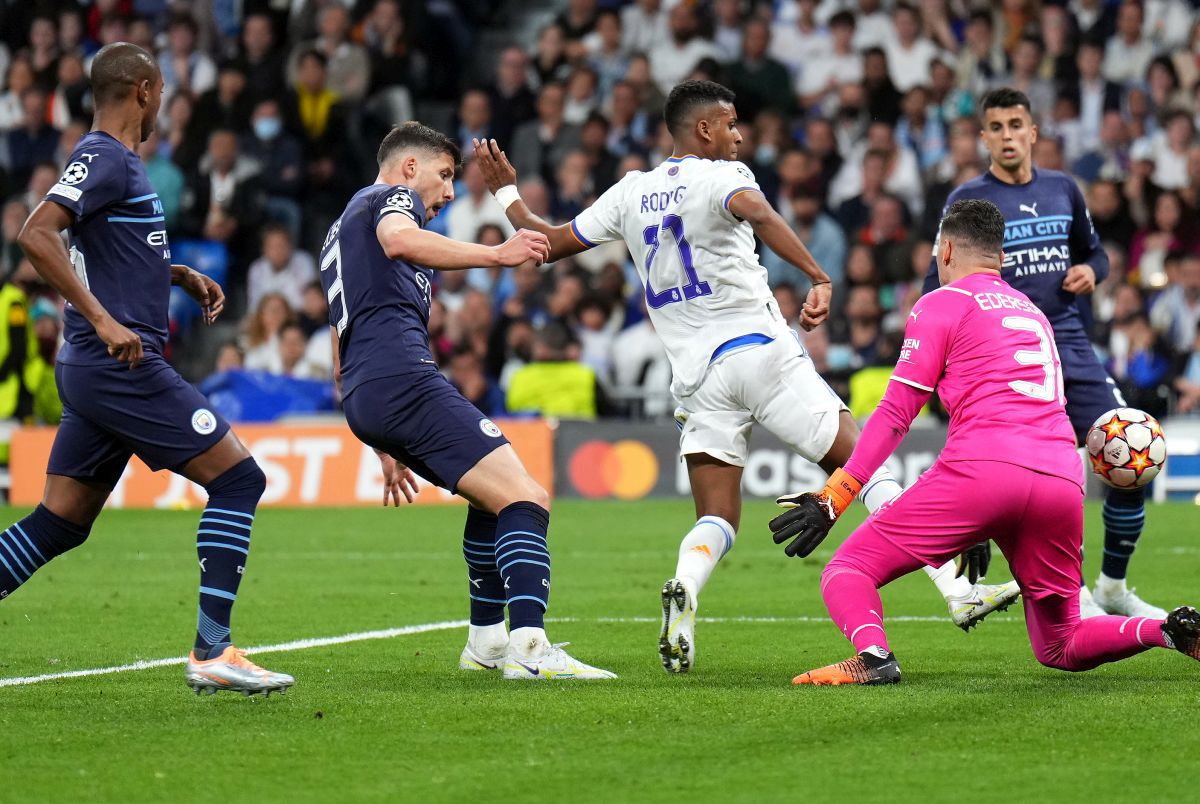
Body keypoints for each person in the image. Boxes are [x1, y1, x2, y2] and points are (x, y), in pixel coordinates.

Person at [473, 80, 1019, 675]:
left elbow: (547, 244)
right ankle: (957, 591)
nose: (739, 134)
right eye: (730, 123)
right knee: (863, 468)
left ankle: (685, 586)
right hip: (760, 350)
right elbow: (755, 211)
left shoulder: (631, 192)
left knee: (718, 516)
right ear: (703, 129)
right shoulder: (721, 177)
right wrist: (818, 275)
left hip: (696, 378)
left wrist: (506, 195)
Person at [776, 199, 1200, 686]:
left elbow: (896, 413)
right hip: (1061, 477)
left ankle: (874, 657)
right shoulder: (1034, 313)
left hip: (982, 470)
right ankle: (1166, 630)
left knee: (848, 568)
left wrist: (836, 494)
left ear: (947, 249)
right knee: (1059, 643)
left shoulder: (940, 302)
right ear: (1000, 258)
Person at [8, 42, 291, 696]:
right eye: (160, 89)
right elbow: (36, 233)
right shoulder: (103, 156)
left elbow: (104, 251)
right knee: (240, 478)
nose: (163, 100)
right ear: (141, 89)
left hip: (92, 366)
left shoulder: (119, 164)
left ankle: (213, 652)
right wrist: (107, 321)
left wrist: (173, 273)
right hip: (118, 362)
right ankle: (212, 651)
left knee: (59, 524)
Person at [321, 121, 613, 681]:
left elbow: (343, 339)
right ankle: (530, 649)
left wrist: (378, 436)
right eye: (446, 175)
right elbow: (398, 239)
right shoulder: (389, 199)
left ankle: (485, 643)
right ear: (411, 167)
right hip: (402, 379)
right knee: (526, 497)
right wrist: (497, 255)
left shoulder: (340, 230)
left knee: (489, 498)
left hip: (369, 390)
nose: (450, 191)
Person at [922, 88, 1166, 619]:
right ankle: (1072, 593)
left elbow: (1096, 252)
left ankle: (1113, 586)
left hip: (1073, 349)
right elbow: (933, 282)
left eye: (1016, 124)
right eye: (996, 127)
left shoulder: (1063, 189)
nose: (1007, 135)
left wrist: (1092, 272)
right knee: (1051, 478)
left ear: (1033, 132)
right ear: (983, 137)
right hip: (1009, 358)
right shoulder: (967, 201)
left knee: (1135, 450)